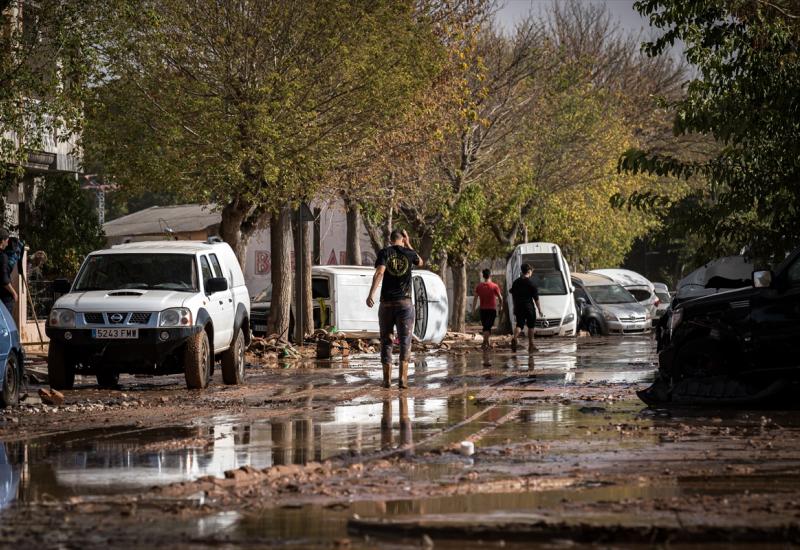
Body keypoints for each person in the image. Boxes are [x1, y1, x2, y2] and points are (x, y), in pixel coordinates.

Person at [366, 229, 423, 389]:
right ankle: (403, 380)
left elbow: (379, 273)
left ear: (390, 239)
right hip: (405, 303)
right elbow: (421, 262)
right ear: (402, 239)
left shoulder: (385, 252)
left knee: (386, 340)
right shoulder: (409, 253)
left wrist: (371, 293)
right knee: (405, 340)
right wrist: (409, 242)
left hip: (386, 303)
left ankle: (386, 380)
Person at [509, 263, 543, 352]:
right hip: (529, 308)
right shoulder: (531, 284)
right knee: (531, 326)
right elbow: (536, 299)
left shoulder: (516, 282)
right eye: (531, 271)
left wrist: (514, 306)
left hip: (518, 307)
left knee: (519, 324)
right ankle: (531, 345)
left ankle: (515, 337)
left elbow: (513, 295)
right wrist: (539, 310)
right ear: (528, 271)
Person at [472, 268, 503, 350]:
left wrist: (473, 309)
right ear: (490, 276)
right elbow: (500, 298)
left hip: (482, 310)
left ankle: (487, 343)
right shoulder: (495, 286)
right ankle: (484, 344)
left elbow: (475, 298)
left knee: (486, 327)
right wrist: (501, 306)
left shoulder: (479, 286)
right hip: (491, 310)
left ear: (483, 276)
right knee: (487, 327)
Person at [0, 229, 17, 316]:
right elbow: (4, 279)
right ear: (2, 241)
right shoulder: (3, 257)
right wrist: (13, 292)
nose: (7, 244)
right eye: (6, 241)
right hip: (4, 298)